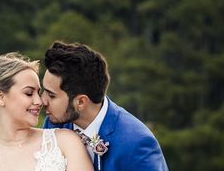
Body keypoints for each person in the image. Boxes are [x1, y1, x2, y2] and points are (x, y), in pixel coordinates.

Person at [0, 52, 92, 171]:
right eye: (29, 93)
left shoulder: (65, 141)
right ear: (0, 97)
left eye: (38, 92)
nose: (39, 101)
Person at [41, 42, 168, 171]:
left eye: (51, 96)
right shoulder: (54, 124)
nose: (42, 100)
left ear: (81, 102)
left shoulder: (137, 143)